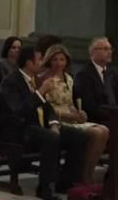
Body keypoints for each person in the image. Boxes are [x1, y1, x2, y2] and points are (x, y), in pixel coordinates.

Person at [0, 47, 87, 200]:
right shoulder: (11, 82)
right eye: (39, 60)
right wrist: (40, 93)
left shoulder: (36, 79)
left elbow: (48, 108)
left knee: (78, 136)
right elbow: (19, 110)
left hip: (40, 126)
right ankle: (45, 188)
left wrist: (53, 123)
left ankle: (64, 181)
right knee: (50, 138)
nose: (42, 63)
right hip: (21, 128)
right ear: (29, 63)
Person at [38, 45, 109, 185]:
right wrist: (68, 116)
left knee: (104, 130)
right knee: (96, 133)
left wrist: (78, 112)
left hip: (71, 117)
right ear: (48, 61)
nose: (59, 63)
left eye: (62, 59)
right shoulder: (43, 79)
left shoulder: (69, 78)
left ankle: (87, 171)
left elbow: (70, 103)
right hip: (56, 120)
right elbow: (45, 108)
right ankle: (83, 176)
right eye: (55, 60)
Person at [73, 37, 118, 124]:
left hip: (115, 117)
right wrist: (113, 117)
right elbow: (89, 105)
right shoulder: (84, 75)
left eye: (110, 49)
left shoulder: (113, 74)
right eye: (105, 49)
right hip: (97, 119)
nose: (110, 52)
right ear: (93, 52)